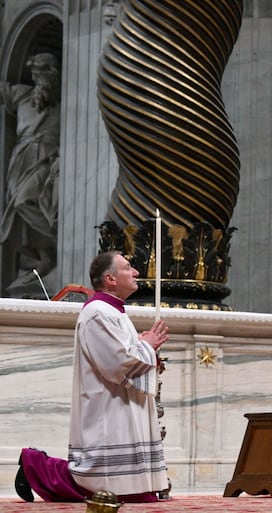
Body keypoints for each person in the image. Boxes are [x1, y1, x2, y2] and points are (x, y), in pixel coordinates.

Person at [15, 251, 170, 502]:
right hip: (108, 403)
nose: (135, 272)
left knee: (119, 488)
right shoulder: (98, 312)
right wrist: (147, 347)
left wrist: (145, 351)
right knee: (94, 484)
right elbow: (117, 363)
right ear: (110, 279)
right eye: (128, 267)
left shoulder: (114, 311)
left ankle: (34, 463)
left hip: (121, 401)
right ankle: (34, 465)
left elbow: (123, 354)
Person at [0, 53, 61, 297]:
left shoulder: (62, 101)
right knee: (18, 202)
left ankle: (52, 244)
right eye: (35, 75)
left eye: (41, 74)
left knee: (25, 200)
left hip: (46, 157)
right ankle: (42, 254)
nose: (37, 79)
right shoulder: (23, 95)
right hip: (22, 156)